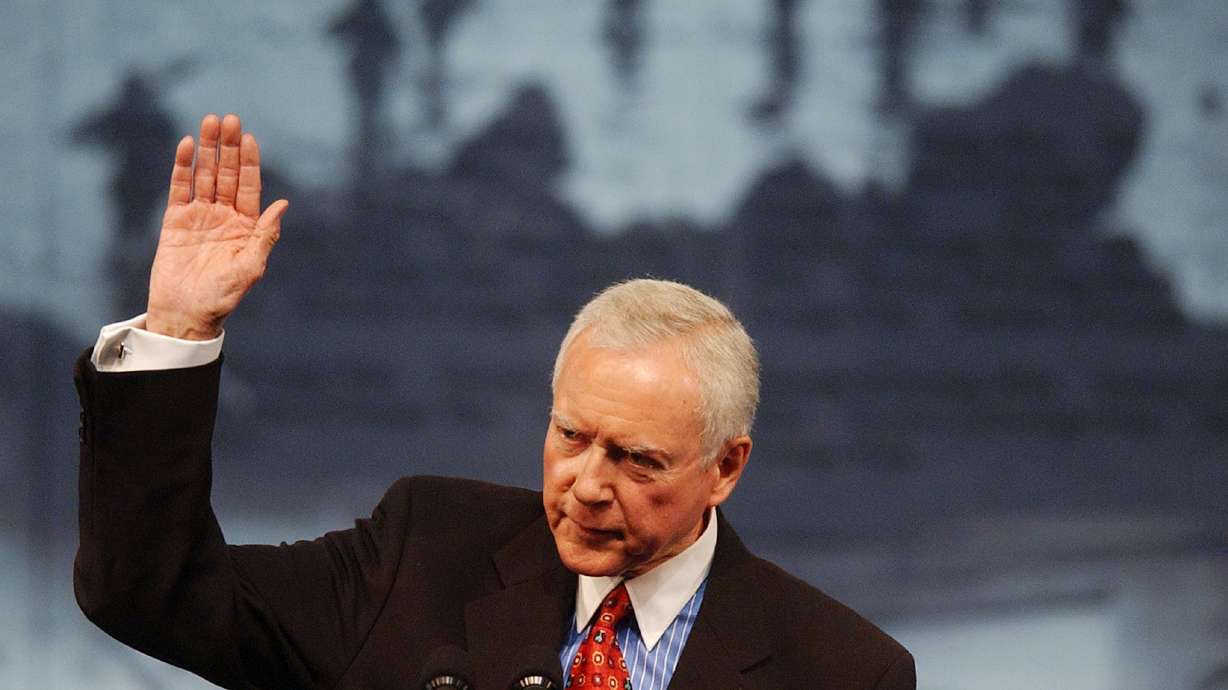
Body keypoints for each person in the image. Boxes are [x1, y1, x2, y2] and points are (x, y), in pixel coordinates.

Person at [74, 113, 916, 689]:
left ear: (726, 467)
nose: (588, 484)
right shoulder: (422, 554)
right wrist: (178, 330)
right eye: (571, 435)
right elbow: (154, 595)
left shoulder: (843, 670)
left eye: (636, 459)